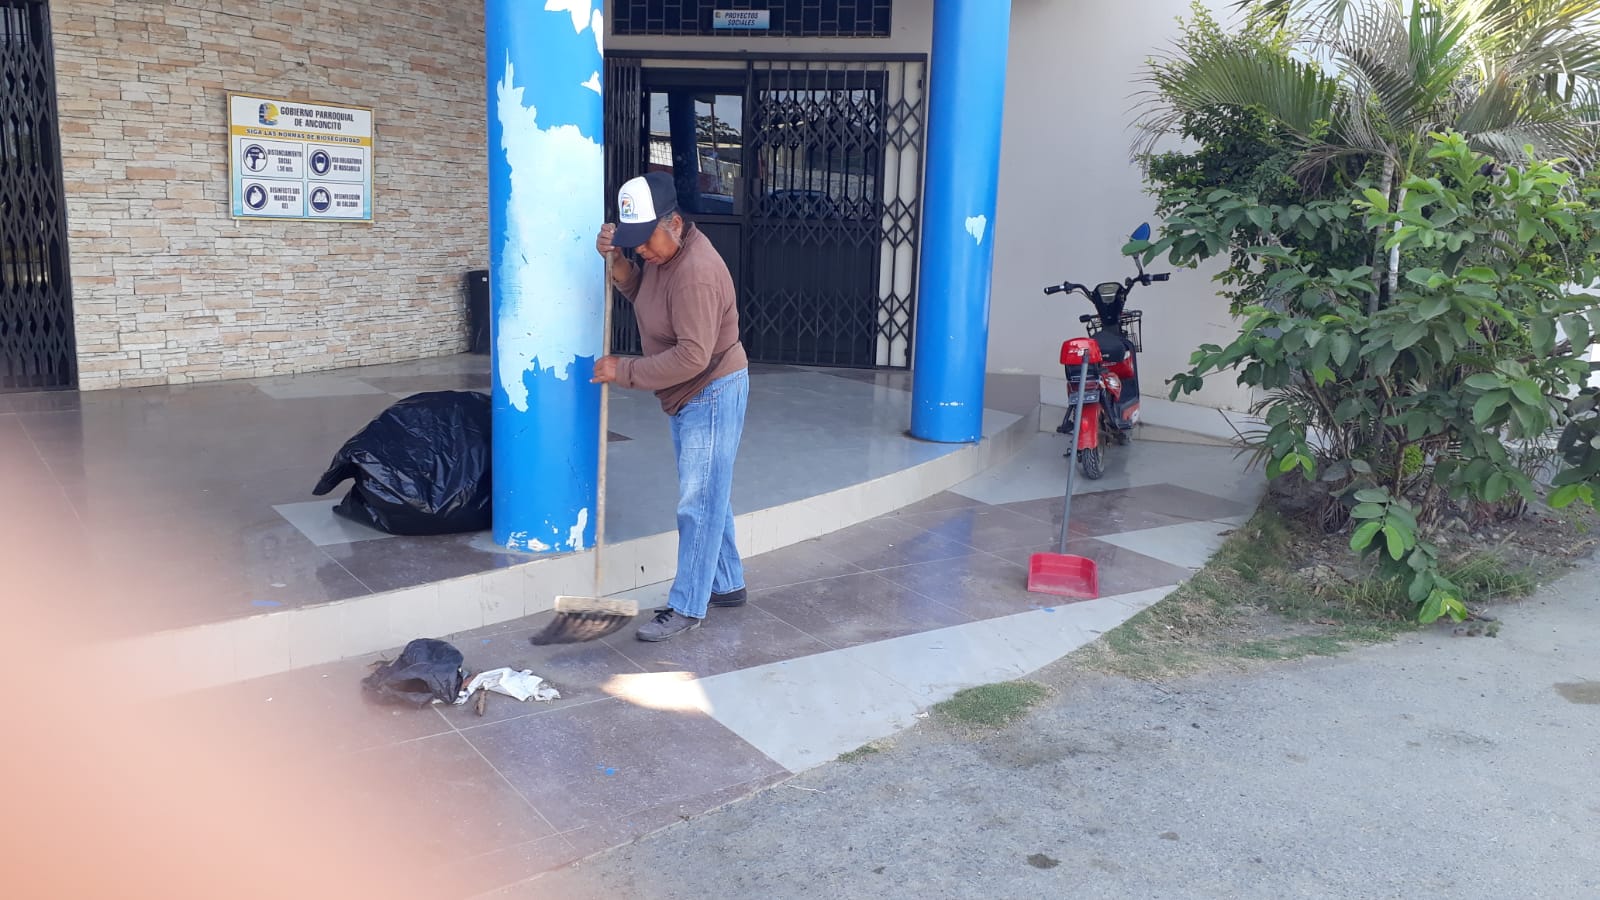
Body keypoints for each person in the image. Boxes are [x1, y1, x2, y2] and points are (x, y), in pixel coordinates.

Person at [593, 171, 750, 642]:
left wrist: (624, 370)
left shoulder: (695, 273)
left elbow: (692, 357)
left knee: (698, 502)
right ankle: (726, 583)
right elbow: (645, 295)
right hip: (688, 392)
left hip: (711, 390)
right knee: (708, 493)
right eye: (635, 241)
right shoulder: (663, 255)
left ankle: (687, 606)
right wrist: (619, 263)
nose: (643, 249)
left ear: (675, 223)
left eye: (647, 239)